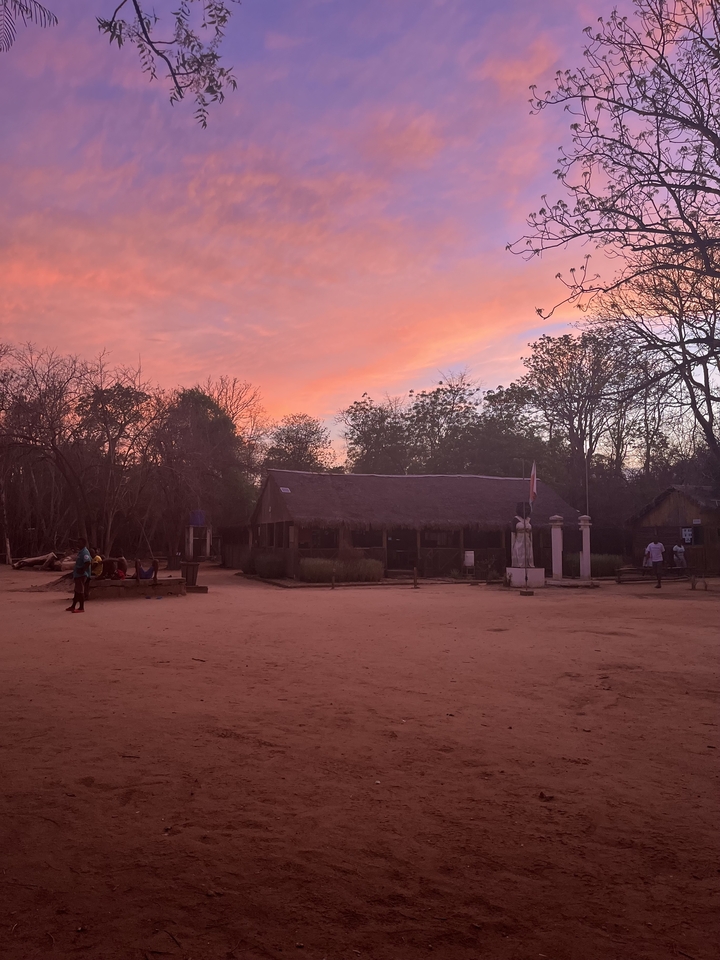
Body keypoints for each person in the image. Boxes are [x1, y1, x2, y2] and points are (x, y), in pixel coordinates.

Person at [67, 537, 92, 613]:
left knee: (80, 591)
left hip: (81, 575)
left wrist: (82, 570)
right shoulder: (81, 552)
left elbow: (87, 562)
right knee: (77, 591)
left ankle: (81, 607)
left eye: (79, 543)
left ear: (84, 544)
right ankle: (73, 606)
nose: (77, 544)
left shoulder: (85, 552)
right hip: (78, 574)